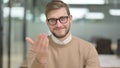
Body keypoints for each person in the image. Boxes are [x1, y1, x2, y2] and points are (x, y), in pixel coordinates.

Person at [26, 0, 101, 68]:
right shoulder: (38, 49)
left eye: (62, 19)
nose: (58, 25)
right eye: (52, 20)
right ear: (47, 22)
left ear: (70, 19)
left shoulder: (88, 49)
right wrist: (39, 61)